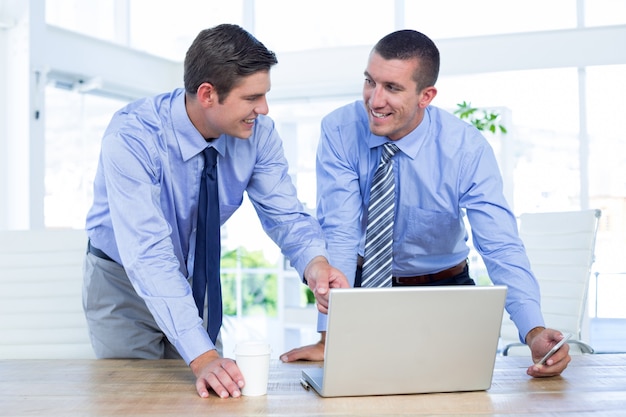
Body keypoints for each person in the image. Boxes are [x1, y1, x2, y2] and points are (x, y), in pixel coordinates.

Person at [280, 29, 571, 378]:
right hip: (362, 289)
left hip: (443, 291)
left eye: (393, 88)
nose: (374, 100)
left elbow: (500, 245)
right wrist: (331, 337)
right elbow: (340, 231)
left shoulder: (465, 149)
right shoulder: (340, 130)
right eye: (370, 81)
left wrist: (533, 331)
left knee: (457, 393)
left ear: (426, 95)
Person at [82, 24, 349, 399]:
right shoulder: (133, 137)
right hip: (122, 278)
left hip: (194, 272)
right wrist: (203, 355)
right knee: (134, 395)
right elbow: (147, 254)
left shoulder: (259, 135)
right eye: (252, 97)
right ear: (208, 94)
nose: (264, 108)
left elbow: (285, 215)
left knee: (210, 395)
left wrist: (315, 263)